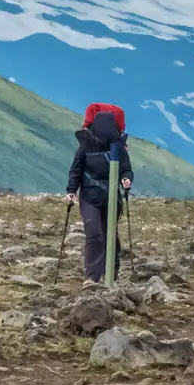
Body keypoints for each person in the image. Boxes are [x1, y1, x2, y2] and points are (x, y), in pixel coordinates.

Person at [66, 103, 133, 282]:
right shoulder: (114, 147)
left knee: (102, 235)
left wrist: (72, 190)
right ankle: (95, 279)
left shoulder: (90, 145)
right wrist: (71, 190)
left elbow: (76, 170)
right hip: (94, 197)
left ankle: (104, 277)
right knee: (98, 234)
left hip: (94, 195)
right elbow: (77, 169)